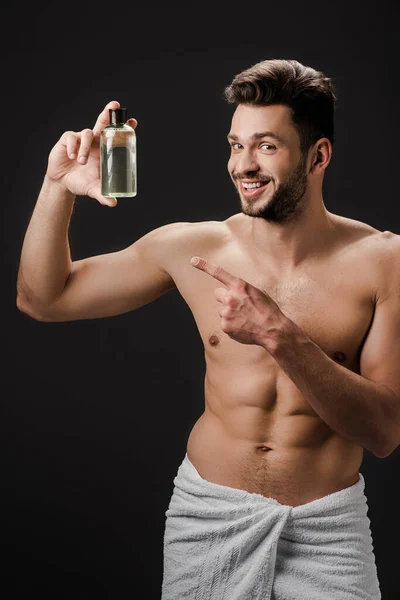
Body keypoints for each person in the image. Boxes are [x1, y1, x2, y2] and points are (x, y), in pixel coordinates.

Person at [16, 58, 399, 599]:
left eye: (266, 146)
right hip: (210, 518)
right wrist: (57, 186)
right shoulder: (192, 247)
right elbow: (42, 299)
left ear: (318, 156)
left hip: (326, 531)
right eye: (235, 145)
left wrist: (280, 336)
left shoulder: (384, 262)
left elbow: (384, 432)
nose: (243, 164)